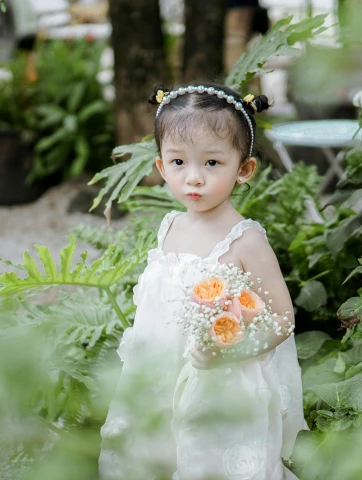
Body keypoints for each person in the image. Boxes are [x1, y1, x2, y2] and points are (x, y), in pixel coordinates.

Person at [99, 82, 307, 480]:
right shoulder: (169, 226)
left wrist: (229, 351)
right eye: (178, 163)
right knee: (154, 449)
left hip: (221, 379)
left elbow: (282, 319)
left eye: (211, 163)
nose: (193, 178)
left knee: (208, 457)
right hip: (159, 370)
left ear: (243, 169)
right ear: (161, 166)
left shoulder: (246, 240)